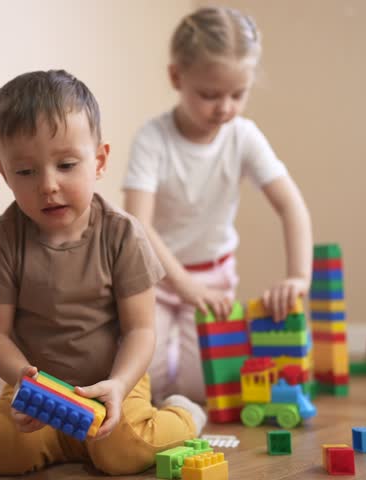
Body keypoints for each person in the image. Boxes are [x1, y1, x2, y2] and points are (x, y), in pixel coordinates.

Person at [0, 69, 206, 476]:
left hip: (113, 384)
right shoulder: (5, 240)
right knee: (3, 450)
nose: (48, 185)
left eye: (66, 164)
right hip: (38, 394)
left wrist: (121, 385)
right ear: (4, 173)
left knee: (125, 453)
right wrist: (22, 381)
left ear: (100, 160)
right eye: (26, 172)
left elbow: (141, 330)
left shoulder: (122, 234)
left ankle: (185, 414)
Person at [122, 6, 313, 405]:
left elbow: (291, 206)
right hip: (153, 280)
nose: (224, 107)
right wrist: (183, 284)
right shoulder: (153, 139)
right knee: (144, 385)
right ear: (177, 77)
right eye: (210, 95)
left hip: (214, 284)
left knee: (205, 390)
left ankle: (179, 368)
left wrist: (298, 277)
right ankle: (165, 360)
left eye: (238, 94)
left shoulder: (243, 136)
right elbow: (137, 225)